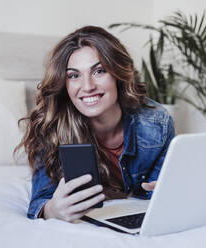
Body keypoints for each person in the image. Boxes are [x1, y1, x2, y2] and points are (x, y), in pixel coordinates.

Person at [14, 26, 175, 222]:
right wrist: (52, 211)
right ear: (64, 83)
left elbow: (158, 190)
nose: (88, 86)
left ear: (118, 75)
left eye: (99, 71)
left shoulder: (156, 123)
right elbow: (41, 202)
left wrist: (166, 191)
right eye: (73, 75)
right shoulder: (51, 126)